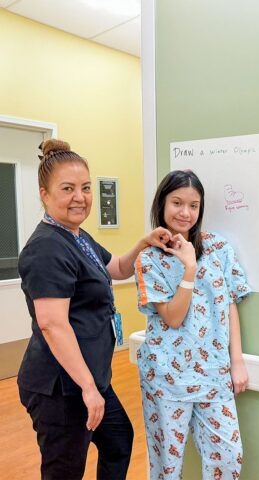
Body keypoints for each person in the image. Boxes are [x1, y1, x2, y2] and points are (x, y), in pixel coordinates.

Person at [17, 139, 172, 480]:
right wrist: (88, 388)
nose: (80, 197)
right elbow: (52, 325)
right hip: (62, 386)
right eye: (68, 188)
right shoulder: (45, 248)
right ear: (44, 194)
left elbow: (115, 267)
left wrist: (142, 244)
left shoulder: (76, 235)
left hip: (90, 377)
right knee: (65, 470)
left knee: (118, 440)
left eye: (85, 188)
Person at [134, 170, 251, 480]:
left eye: (193, 205)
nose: (185, 213)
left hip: (214, 372)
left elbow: (229, 304)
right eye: (177, 203)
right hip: (166, 378)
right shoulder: (148, 259)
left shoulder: (218, 248)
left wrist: (236, 361)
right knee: (166, 468)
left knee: (228, 458)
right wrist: (189, 268)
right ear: (161, 204)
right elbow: (173, 318)